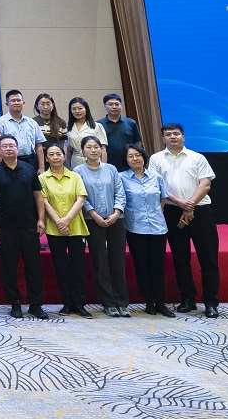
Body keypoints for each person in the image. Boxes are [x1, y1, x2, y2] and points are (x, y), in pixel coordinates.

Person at [150, 123, 220, 318]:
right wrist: (180, 203)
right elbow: (157, 186)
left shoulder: (197, 157)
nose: (173, 137)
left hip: (201, 211)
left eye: (176, 134)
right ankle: (188, 299)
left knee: (208, 258)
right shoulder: (156, 159)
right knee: (180, 258)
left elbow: (205, 184)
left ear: (183, 136)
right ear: (163, 138)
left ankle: (211, 302)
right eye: (168, 134)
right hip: (172, 211)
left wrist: (189, 205)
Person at [0, 134, 48, 320]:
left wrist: (41, 219)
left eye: (11, 145)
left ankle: (36, 304)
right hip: (5, 226)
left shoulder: (29, 169)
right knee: (8, 267)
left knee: (34, 267)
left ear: (17, 148)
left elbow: (38, 196)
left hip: (29, 225)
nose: (8, 149)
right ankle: (14, 303)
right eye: (4, 146)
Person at [77, 135, 130, 317]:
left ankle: (122, 302)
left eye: (96, 147)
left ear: (101, 149)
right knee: (100, 262)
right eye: (89, 147)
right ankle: (108, 303)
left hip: (116, 220)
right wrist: (93, 214)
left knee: (118, 261)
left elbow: (120, 193)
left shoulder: (111, 169)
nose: (93, 150)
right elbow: (81, 196)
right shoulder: (78, 171)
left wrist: (116, 213)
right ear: (83, 151)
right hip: (93, 221)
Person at [121, 145, 175, 318]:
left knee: (157, 266)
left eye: (138, 155)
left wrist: (154, 213)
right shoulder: (121, 178)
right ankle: (149, 302)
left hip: (157, 228)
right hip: (135, 229)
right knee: (141, 266)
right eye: (130, 156)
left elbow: (162, 199)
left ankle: (160, 302)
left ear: (144, 157)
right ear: (126, 160)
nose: (135, 159)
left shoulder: (156, 177)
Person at [39, 144, 91, 318]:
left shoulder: (75, 176)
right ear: (46, 158)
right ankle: (67, 303)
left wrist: (67, 220)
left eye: (58, 154)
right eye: (51, 154)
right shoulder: (42, 178)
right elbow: (44, 202)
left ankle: (80, 304)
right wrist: (59, 222)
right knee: (61, 268)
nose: (55, 157)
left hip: (75, 227)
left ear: (63, 156)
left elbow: (80, 200)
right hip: (54, 230)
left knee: (78, 268)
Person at [0, 89, 48, 173]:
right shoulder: (0, 122)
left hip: (31, 160)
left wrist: (41, 167)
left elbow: (38, 146)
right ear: (7, 104)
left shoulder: (32, 122)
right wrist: (0, 166)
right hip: (9, 161)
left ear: (23, 103)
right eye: (13, 101)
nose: (16, 103)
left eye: (18, 100)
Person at [100, 93, 143, 172]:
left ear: (121, 106)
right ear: (105, 106)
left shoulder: (130, 123)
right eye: (110, 104)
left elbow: (137, 143)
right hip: (108, 165)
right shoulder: (99, 124)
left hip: (129, 166)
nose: (114, 107)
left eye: (117, 104)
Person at [65, 97, 107, 170]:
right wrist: (68, 167)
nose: (77, 111)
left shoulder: (96, 126)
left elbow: (103, 149)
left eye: (80, 108)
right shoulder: (68, 127)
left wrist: (104, 167)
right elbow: (69, 150)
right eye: (74, 109)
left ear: (86, 109)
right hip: (76, 161)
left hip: (93, 159)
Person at [33, 94, 67, 163]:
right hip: (38, 158)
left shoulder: (61, 122)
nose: (45, 107)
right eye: (42, 104)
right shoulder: (32, 122)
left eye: (48, 104)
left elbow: (62, 142)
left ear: (53, 105)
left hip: (56, 157)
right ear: (37, 106)